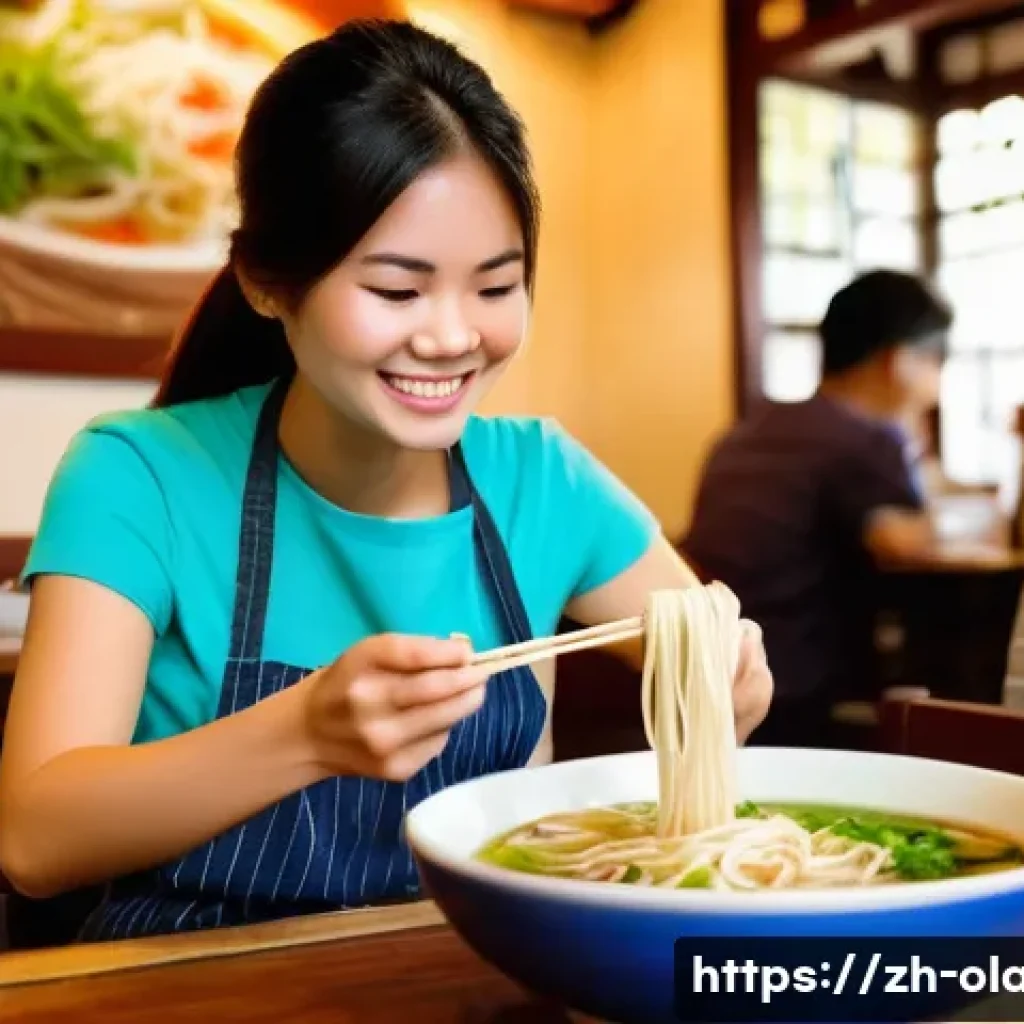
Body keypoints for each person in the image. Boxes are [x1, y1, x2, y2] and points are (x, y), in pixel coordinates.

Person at [0, 19, 772, 942]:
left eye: (495, 287)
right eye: (398, 291)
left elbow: (707, 662)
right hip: (188, 975)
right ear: (266, 282)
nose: (451, 336)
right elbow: (34, 836)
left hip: (472, 968)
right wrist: (305, 734)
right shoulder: (138, 475)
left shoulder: (544, 480)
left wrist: (731, 681)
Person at [681, 269, 952, 748]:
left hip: (710, 672)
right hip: (800, 695)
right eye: (937, 360)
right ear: (899, 362)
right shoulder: (867, 438)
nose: (937, 381)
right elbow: (906, 543)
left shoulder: (747, 430)